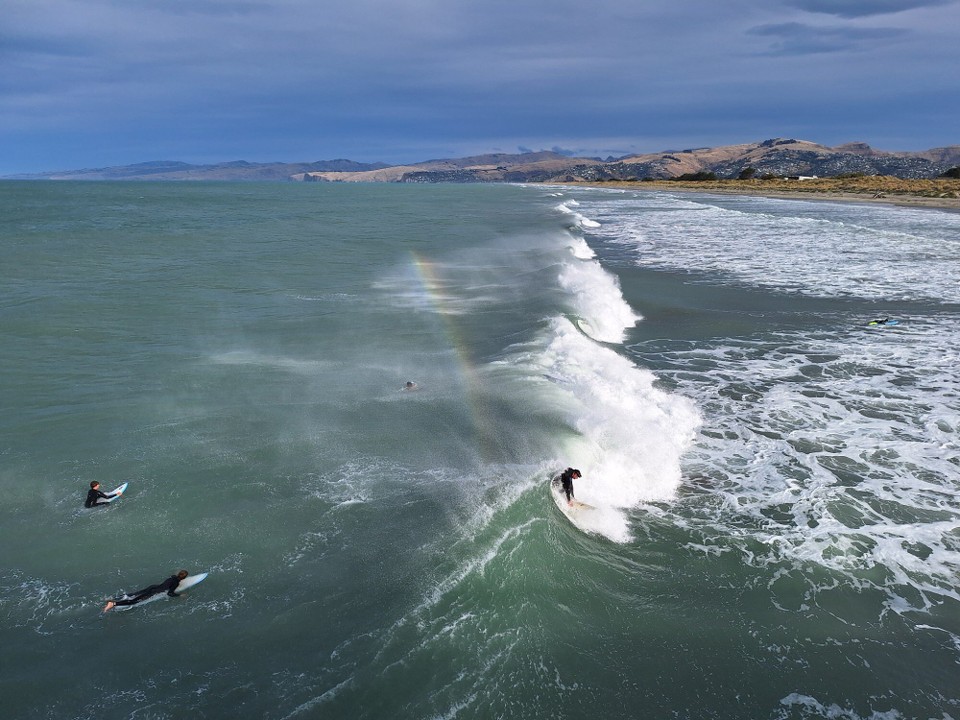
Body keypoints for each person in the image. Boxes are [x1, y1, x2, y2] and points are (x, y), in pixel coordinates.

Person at [103, 570, 189, 612]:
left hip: (153, 587)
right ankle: (113, 604)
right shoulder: (176, 583)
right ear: (183, 578)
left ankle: (113, 598)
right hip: (153, 592)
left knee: (134, 594)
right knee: (134, 601)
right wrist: (180, 595)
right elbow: (170, 593)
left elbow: (171, 581)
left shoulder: (173, 577)